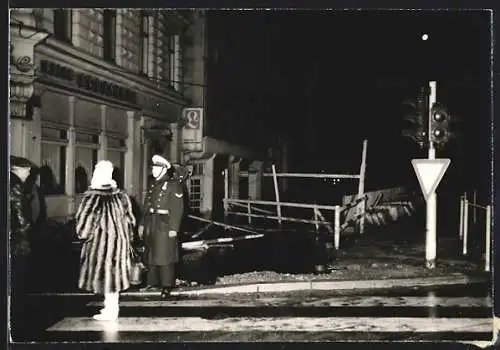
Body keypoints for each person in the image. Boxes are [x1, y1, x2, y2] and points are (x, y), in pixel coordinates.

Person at [75, 160, 136, 321]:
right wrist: (127, 239)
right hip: (119, 243)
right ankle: (111, 307)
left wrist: (83, 235)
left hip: (102, 244)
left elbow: (85, 224)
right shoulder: (121, 195)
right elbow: (130, 220)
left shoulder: (93, 196)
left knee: (106, 276)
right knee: (113, 277)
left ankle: (111, 310)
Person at [139, 155, 185, 298]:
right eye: (153, 167)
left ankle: (166, 285)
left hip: (165, 224)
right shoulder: (154, 185)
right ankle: (152, 283)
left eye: (156, 167)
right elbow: (147, 207)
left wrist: (174, 228)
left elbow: (178, 208)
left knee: (165, 256)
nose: (153, 170)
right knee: (151, 254)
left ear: (164, 169)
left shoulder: (173, 185)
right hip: (152, 223)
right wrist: (141, 223)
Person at [10, 156, 35, 336]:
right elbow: (21, 217)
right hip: (17, 241)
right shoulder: (16, 186)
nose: (29, 174)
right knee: (18, 278)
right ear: (17, 169)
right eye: (26, 170)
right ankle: (16, 316)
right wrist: (28, 232)